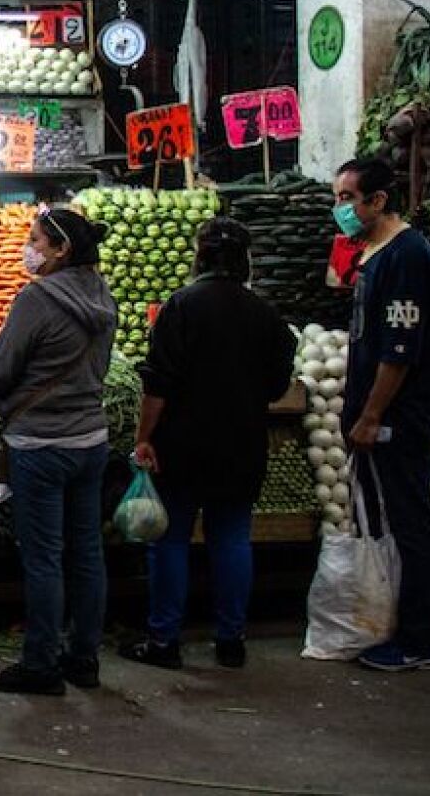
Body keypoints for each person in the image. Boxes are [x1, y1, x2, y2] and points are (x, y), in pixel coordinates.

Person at [121, 218, 296, 671]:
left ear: (199, 256)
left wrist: (144, 437)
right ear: (245, 259)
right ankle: (231, 640)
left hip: (183, 445)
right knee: (233, 539)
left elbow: (157, 384)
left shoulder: (179, 306)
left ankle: (165, 642)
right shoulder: (266, 314)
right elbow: (278, 386)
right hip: (242, 444)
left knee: (170, 541)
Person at [0, 208, 117, 696]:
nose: (29, 246)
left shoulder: (36, 299)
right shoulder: (101, 293)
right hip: (91, 439)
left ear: (60, 250)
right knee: (86, 553)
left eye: (35, 239)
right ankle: (84, 658)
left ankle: (41, 664)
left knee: (43, 558)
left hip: (41, 444)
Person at [332, 158, 430, 672]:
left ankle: (420, 640)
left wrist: (372, 413)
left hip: (398, 418)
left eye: (347, 198)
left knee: (412, 524)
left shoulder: (406, 257)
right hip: (382, 415)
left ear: (378, 200)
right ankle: (401, 626)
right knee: (400, 522)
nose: (341, 209)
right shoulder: (376, 254)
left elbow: (399, 350)